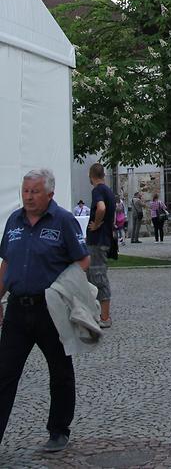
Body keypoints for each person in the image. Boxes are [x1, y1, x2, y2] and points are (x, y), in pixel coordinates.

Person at [0, 168, 90, 452]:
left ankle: (58, 430)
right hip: (17, 308)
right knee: (4, 373)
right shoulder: (14, 221)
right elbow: (6, 265)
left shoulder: (63, 220)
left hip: (50, 308)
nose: (28, 196)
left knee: (60, 370)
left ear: (49, 193)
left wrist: (60, 290)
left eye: (35, 191)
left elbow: (82, 261)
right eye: (25, 191)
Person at [85, 163, 115, 328]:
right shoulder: (109, 190)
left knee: (98, 275)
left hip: (98, 241)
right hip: (103, 240)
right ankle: (95, 313)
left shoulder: (98, 190)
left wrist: (96, 224)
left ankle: (105, 317)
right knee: (91, 275)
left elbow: (101, 208)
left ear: (91, 176)